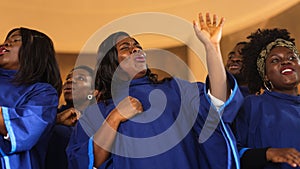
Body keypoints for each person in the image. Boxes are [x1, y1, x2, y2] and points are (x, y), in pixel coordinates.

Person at [67, 12, 243, 169]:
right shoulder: (97, 111)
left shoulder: (175, 89)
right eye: (125, 48)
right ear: (110, 63)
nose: (135, 49)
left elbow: (218, 101)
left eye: (137, 46)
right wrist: (114, 118)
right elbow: (87, 162)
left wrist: (212, 47)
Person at [234, 28, 300, 169]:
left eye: (291, 57)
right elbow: (230, 153)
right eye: (275, 60)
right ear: (265, 75)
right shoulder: (252, 105)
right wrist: (268, 153)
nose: (285, 62)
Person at [0, 27, 62, 168]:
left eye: (16, 40)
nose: (6, 44)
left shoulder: (43, 92)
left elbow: (24, 130)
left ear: (34, 52)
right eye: (5, 41)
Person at [46, 65, 96, 169]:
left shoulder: (99, 120)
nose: (70, 81)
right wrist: (57, 119)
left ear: (92, 91)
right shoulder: (49, 114)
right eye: (68, 78)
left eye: (80, 78)